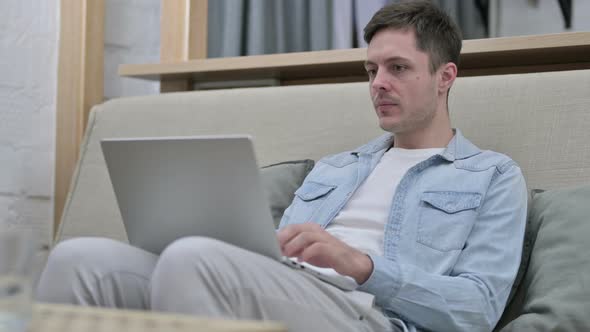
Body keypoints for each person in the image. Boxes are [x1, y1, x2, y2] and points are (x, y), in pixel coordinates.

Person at [36, 2, 527, 331]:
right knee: (80, 259)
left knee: (193, 260)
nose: (378, 83)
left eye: (398, 68)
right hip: (293, 291)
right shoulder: (337, 168)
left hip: (373, 316)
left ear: (445, 78)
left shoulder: (492, 175)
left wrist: (362, 266)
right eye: (371, 70)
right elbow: (270, 262)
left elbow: (478, 308)